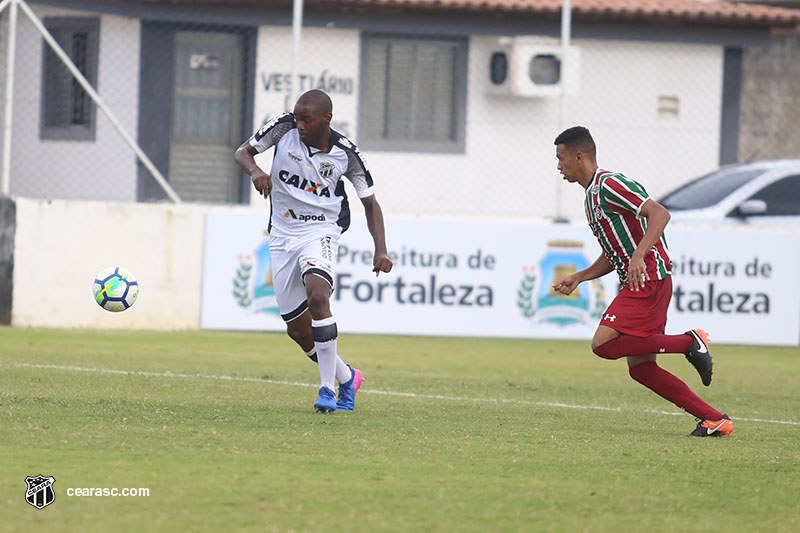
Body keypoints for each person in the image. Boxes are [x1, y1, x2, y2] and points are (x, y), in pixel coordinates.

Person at [551, 126, 732, 437]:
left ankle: (689, 342)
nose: (558, 166)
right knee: (642, 370)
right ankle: (714, 419)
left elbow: (659, 214)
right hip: (640, 279)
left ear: (579, 157)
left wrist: (639, 255)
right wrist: (580, 277)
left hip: (649, 278)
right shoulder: (590, 198)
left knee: (603, 344)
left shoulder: (609, 184)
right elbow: (613, 253)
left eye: (561, 158)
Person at [234, 89, 392, 413]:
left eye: (307, 119)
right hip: (281, 236)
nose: (300, 124)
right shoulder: (283, 128)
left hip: (321, 230)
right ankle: (348, 377)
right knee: (298, 330)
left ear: (326, 119)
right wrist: (256, 171)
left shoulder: (346, 154)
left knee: (319, 297)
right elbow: (243, 152)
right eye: (297, 117)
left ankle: (326, 391)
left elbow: (371, 204)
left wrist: (382, 250)